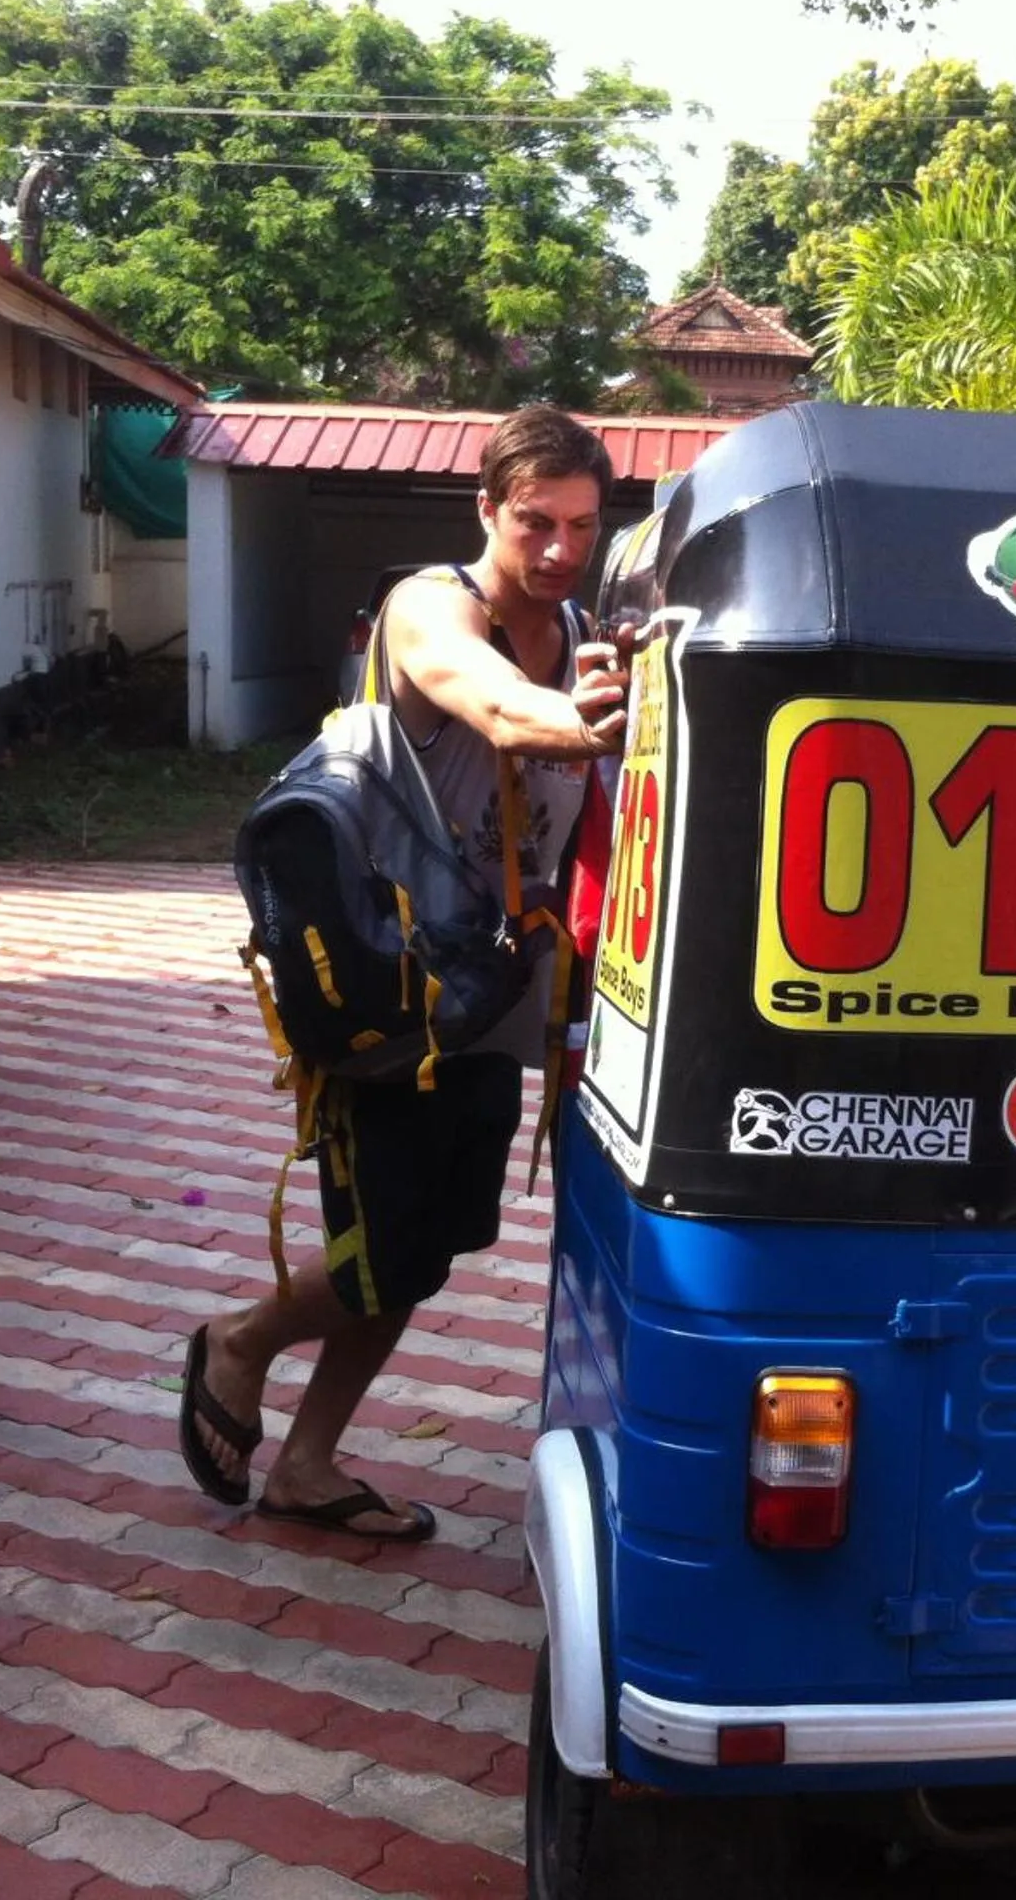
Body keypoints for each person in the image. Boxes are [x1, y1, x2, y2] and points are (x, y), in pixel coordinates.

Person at [180, 405, 628, 1540]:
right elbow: (491, 703)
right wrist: (577, 715)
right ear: (487, 509)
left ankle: (308, 1464)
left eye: (582, 524)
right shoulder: (429, 605)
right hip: (386, 979)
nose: (561, 549)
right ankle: (238, 1341)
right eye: (537, 522)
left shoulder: (580, 623)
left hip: (490, 993)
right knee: (387, 1240)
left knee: (429, 1243)